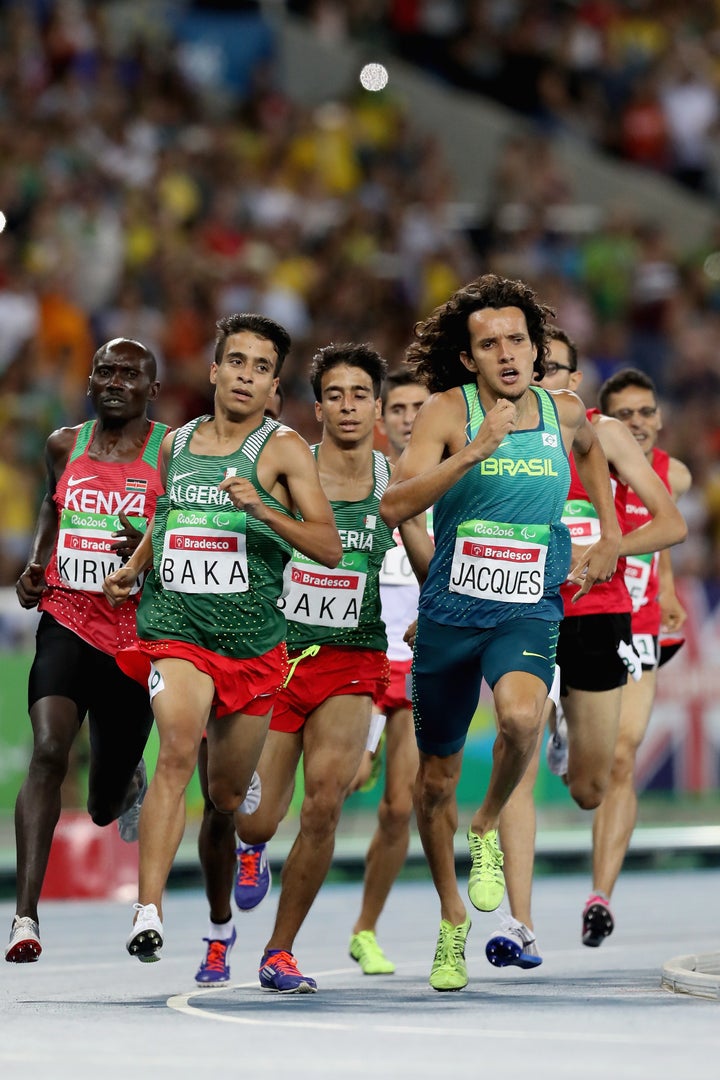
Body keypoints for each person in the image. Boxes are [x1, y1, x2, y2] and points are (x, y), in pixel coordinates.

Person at [379, 274, 624, 992]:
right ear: (468, 358)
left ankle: (485, 827)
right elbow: (395, 503)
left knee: (521, 717)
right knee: (433, 783)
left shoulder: (563, 409)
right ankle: (454, 918)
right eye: (491, 344)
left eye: (518, 339)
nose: (510, 354)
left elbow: (590, 451)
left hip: (527, 605)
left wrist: (608, 531)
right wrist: (472, 452)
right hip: (450, 614)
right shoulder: (444, 415)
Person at [102, 313, 342, 963]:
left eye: (262, 368)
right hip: (177, 629)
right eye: (237, 361)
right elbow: (166, 515)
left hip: (251, 645)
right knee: (175, 750)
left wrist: (263, 509)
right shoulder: (176, 445)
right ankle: (147, 908)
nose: (246, 375)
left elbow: (327, 545)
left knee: (225, 800)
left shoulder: (283, 448)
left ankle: (218, 923)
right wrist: (134, 566)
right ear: (214, 371)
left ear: (273, 387)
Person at [229, 342, 430, 994]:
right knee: (258, 815)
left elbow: (427, 552)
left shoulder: (391, 476)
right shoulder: (290, 467)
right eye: (335, 395)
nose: (348, 406)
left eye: (360, 396)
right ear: (318, 408)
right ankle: (252, 848)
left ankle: (280, 951)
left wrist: (437, 608)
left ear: (376, 407)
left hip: (353, 658)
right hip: (280, 656)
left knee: (323, 806)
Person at [494, 329, 687, 967]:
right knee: (515, 758)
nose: (540, 375)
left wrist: (609, 548)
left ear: (574, 381)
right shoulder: (500, 434)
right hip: (523, 611)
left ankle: (564, 730)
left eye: (554, 369)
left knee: (591, 788)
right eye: (533, 365)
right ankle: (521, 927)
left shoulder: (603, 436)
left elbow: (670, 522)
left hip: (599, 619)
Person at [5, 337, 167, 964]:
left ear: (152, 390)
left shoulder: (170, 452)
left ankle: (126, 779)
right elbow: (52, 506)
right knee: (48, 750)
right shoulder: (63, 444)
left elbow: (182, 530)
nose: (114, 380)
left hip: (133, 633)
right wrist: (37, 563)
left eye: (130, 373)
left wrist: (144, 545)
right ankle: (25, 918)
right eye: (104, 370)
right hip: (66, 617)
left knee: (101, 805)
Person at [585, 367, 691, 942]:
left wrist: (668, 585)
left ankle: (601, 894)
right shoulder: (585, 465)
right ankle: (564, 730)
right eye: (625, 415)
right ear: (606, 423)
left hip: (638, 625)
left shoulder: (671, 474)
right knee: (590, 763)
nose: (639, 424)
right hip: (580, 618)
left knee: (623, 757)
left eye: (646, 412)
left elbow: (664, 532)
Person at [348, 369, 430, 975]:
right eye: (397, 408)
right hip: (359, 656)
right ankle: (255, 844)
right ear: (383, 418)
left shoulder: (453, 480)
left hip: (417, 665)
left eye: (418, 407)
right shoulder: (364, 477)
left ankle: (365, 929)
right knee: (333, 789)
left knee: (399, 807)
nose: (407, 417)